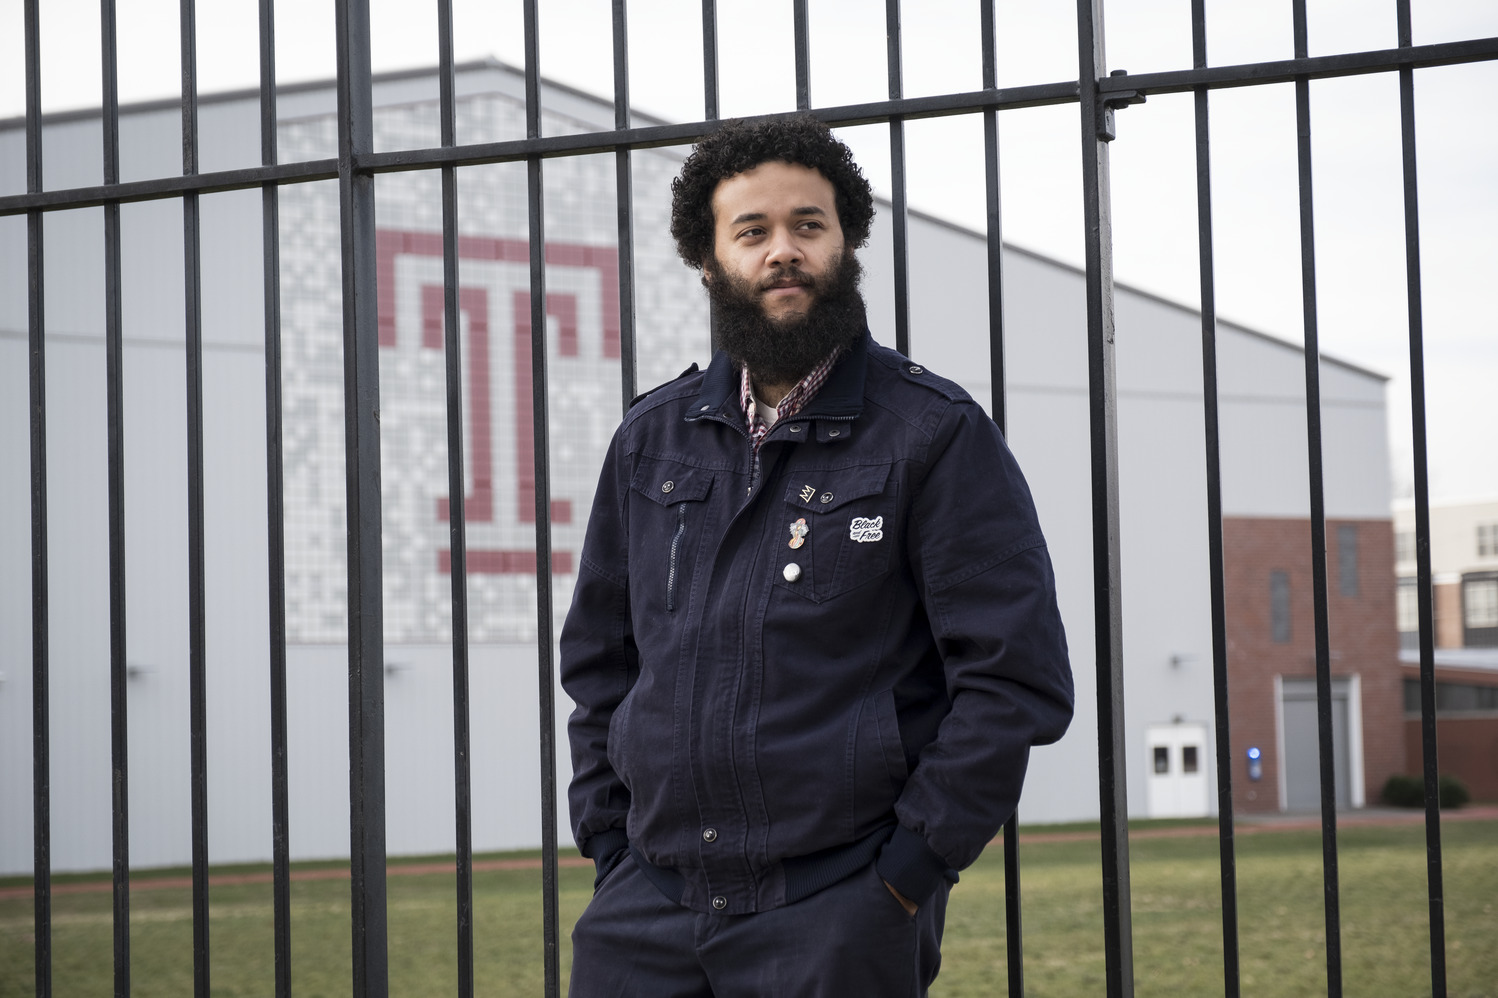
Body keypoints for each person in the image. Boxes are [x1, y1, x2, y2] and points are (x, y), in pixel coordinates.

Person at [561, 114, 1073, 997]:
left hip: (840, 908)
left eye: (809, 225)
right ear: (709, 257)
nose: (782, 252)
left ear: (846, 240)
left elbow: (1012, 677)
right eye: (752, 231)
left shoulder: (932, 435)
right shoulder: (651, 440)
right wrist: (610, 844)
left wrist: (908, 873)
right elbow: (602, 662)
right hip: (646, 910)